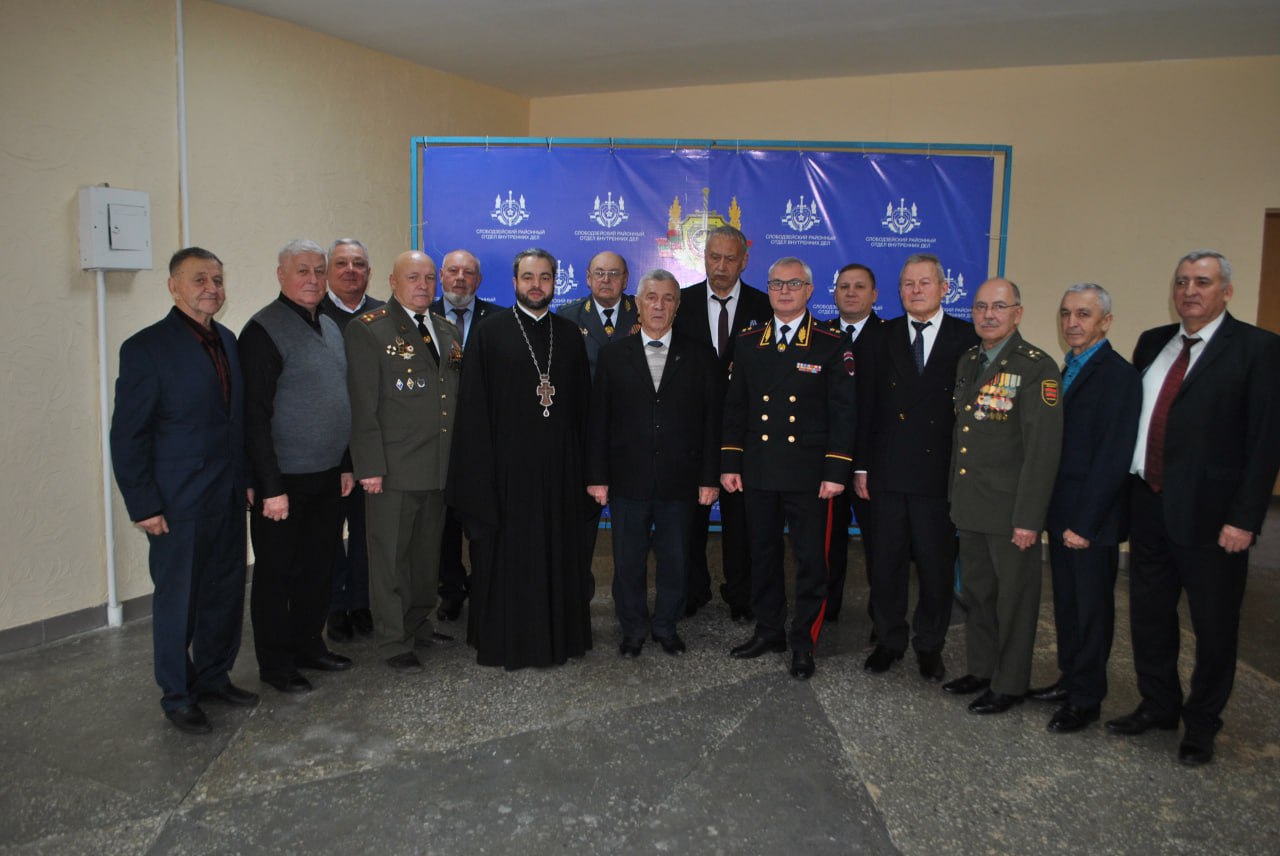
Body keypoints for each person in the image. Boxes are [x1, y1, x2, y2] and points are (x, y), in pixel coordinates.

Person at [1108, 250, 1280, 765]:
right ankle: (1159, 704)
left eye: (1202, 282)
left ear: (1226, 291)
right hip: (1149, 504)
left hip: (1214, 518)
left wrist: (1244, 519)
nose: (1189, 291)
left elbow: (1265, 442)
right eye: (1182, 281)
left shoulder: (1258, 349)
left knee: (1214, 625)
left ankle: (1202, 723)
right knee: (1150, 616)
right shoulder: (1153, 341)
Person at [110, 247, 258, 734]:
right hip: (177, 502)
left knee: (224, 592)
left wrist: (247, 480)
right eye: (199, 279)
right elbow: (128, 435)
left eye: (217, 279)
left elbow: (236, 422)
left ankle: (214, 676)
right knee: (179, 601)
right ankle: (177, 694)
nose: (211, 288)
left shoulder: (228, 340)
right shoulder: (146, 348)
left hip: (227, 494)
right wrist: (143, 503)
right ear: (174, 287)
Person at [445, 248, 594, 669]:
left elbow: (583, 412)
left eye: (545, 277)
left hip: (559, 475)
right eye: (528, 277)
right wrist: (480, 479)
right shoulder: (489, 334)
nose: (536, 285)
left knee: (556, 556)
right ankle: (506, 640)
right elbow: (472, 411)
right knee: (509, 559)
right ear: (514, 282)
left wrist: (586, 473)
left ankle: (558, 638)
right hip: (506, 475)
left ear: (555, 283)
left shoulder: (569, 335)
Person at [722, 257, 856, 680]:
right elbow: (736, 407)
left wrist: (836, 471)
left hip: (810, 475)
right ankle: (768, 630)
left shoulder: (830, 343)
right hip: (760, 468)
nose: (784, 291)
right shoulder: (749, 342)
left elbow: (844, 413)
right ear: (768, 289)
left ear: (809, 291)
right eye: (776, 284)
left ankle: (804, 642)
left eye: (793, 284)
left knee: (811, 560)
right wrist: (730, 461)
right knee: (762, 554)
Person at [856, 253, 979, 681]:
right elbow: (865, 406)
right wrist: (861, 467)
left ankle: (930, 644)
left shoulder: (968, 339)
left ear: (944, 288)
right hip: (887, 472)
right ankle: (889, 640)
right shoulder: (881, 336)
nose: (916, 290)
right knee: (885, 564)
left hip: (940, 475)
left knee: (935, 566)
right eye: (908, 284)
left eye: (925, 283)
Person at [240, 239, 355, 694]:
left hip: (327, 475)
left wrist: (345, 464)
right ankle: (276, 663)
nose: (313, 279)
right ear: (281, 275)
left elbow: (339, 401)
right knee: (277, 575)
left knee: (319, 567)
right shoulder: (262, 331)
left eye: (318, 271)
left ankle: (310, 645)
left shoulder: (328, 325)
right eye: (302, 270)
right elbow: (254, 416)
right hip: (283, 481)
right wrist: (269, 485)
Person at [1024, 283, 1140, 733]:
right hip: (1064, 513)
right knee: (1069, 605)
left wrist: (1085, 524)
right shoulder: (1067, 367)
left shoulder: (1118, 376)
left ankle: (1087, 699)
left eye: (1084, 314)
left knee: (1092, 612)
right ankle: (1069, 680)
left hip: (1091, 521)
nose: (1072, 322)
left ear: (1105, 322)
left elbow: (1114, 456)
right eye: (1066, 313)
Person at [586, 270, 721, 657]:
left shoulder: (700, 355)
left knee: (675, 560)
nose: (659, 306)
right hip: (627, 479)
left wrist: (709, 477)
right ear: (638, 304)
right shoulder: (614, 355)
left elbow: (712, 422)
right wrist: (597, 477)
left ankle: (665, 626)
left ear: (677, 307)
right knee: (627, 561)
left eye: (668, 298)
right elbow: (599, 420)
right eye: (652, 298)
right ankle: (632, 629)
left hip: (681, 479)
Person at [943, 278, 1062, 714]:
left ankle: (1009, 684)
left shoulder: (1036, 368)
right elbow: (964, 436)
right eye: (980, 307)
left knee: (1014, 601)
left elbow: (1042, 451)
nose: (988, 315)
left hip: (1011, 511)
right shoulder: (969, 360)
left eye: (998, 306)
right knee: (978, 594)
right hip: (972, 503)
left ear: (1018, 313)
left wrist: (1029, 518)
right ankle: (982, 669)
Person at [345, 251, 461, 672]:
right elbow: (363, 405)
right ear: (393, 282)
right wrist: (369, 467)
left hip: (438, 465)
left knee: (425, 556)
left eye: (429, 278)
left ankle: (418, 623)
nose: (423, 285)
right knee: (390, 557)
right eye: (413, 277)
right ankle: (393, 638)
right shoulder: (369, 330)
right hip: (393, 468)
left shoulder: (446, 329)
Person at [672, 226, 772, 620]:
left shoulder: (766, 307)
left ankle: (741, 594)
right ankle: (691, 589)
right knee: (689, 518)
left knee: (741, 519)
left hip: (746, 433)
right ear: (704, 258)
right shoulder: (681, 303)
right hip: (690, 431)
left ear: (744, 261)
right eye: (714, 257)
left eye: (730, 258)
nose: (721, 266)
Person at [559, 250, 639, 591]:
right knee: (580, 524)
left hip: (634, 439)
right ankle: (577, 593)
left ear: (626, 279)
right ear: (588, 278)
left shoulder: (644, 312)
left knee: (632, 528)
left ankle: (629, 601)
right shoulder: (567, 317)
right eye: (600, 273)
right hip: (585, 438)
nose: (607, 280)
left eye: (614, 273)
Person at [317, 238, 382, 644]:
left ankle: (362, 601)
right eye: (341, 263)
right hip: (328, 451)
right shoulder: (313, 315)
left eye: (358, 263)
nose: (350, 270)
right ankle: (335, 606)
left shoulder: (384, 314)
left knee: (367, 532)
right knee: (328, 534)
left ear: (369, 273)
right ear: (328, 272)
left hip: (373, 448)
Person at [429, 249, 498, 624]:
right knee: (444, 522)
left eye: (468, 272)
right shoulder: (422, 316)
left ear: (479, 280)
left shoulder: (500, 320)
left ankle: (486, 585)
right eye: (453, 271)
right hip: (436, 438)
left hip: (485, 439)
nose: (460, 278)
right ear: (441, 276)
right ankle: (451, 589)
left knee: (482, 516)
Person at [824, 263, 882, 626]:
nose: (850, 292)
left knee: (879, 545)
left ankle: (882, 618)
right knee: (828, 543)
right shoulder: (821, 335)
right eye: (844, 286)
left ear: (874, 295)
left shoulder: (890, 338)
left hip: (872, 463)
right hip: (829, 461)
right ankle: (826, 609)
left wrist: (866, 463)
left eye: (859, 286)